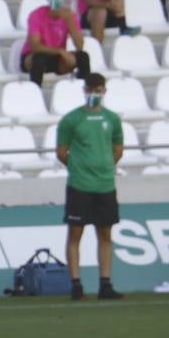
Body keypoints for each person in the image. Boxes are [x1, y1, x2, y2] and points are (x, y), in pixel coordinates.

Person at [56, 74, 124, 301]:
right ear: (85, 90)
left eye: (98, 89)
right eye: (90, 89)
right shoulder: (71, 119)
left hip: (105, 185)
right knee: (76, 233)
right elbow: (61, 152)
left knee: (105, 233)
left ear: (104, 90)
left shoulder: (112, 119)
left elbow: (117, 148)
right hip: (80, 185)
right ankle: (76, 284)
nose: (94, 93)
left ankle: (105, 284)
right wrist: (78, 168)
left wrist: (104, 167)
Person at [21, 0, 90, 87]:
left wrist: (69, 20)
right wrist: (59, 51)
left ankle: (83, 89)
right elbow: (34, 46)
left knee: (83, 57)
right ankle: (35, 92)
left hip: (57, 58)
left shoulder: (70, 15)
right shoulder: (36, 15)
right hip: (34, 57)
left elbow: (80, 45)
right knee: (39, 58)